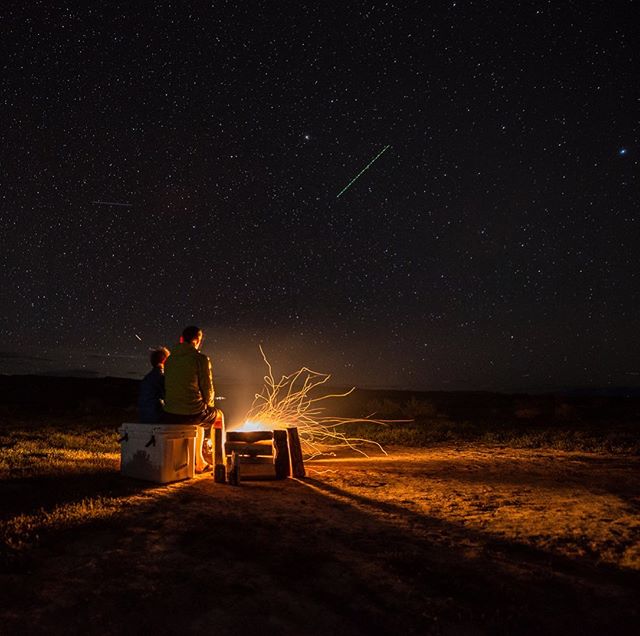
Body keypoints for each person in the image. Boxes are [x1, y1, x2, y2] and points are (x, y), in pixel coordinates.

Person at [162, 325, 217, 472]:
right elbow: (207, 388)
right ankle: (218, 460)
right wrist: (209, 405)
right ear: (197, 340)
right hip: (191, 413)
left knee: (197, 416)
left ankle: (198, 460)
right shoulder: (201, 359)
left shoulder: (169, 360)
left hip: (170, 413)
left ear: (181, 339)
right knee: (217, 417)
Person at [138, 347, 170, 423]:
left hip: (144, 417)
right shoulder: (160, 377)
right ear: (164, 360)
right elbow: (168, 397)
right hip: (156, 416)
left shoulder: (147, 378)